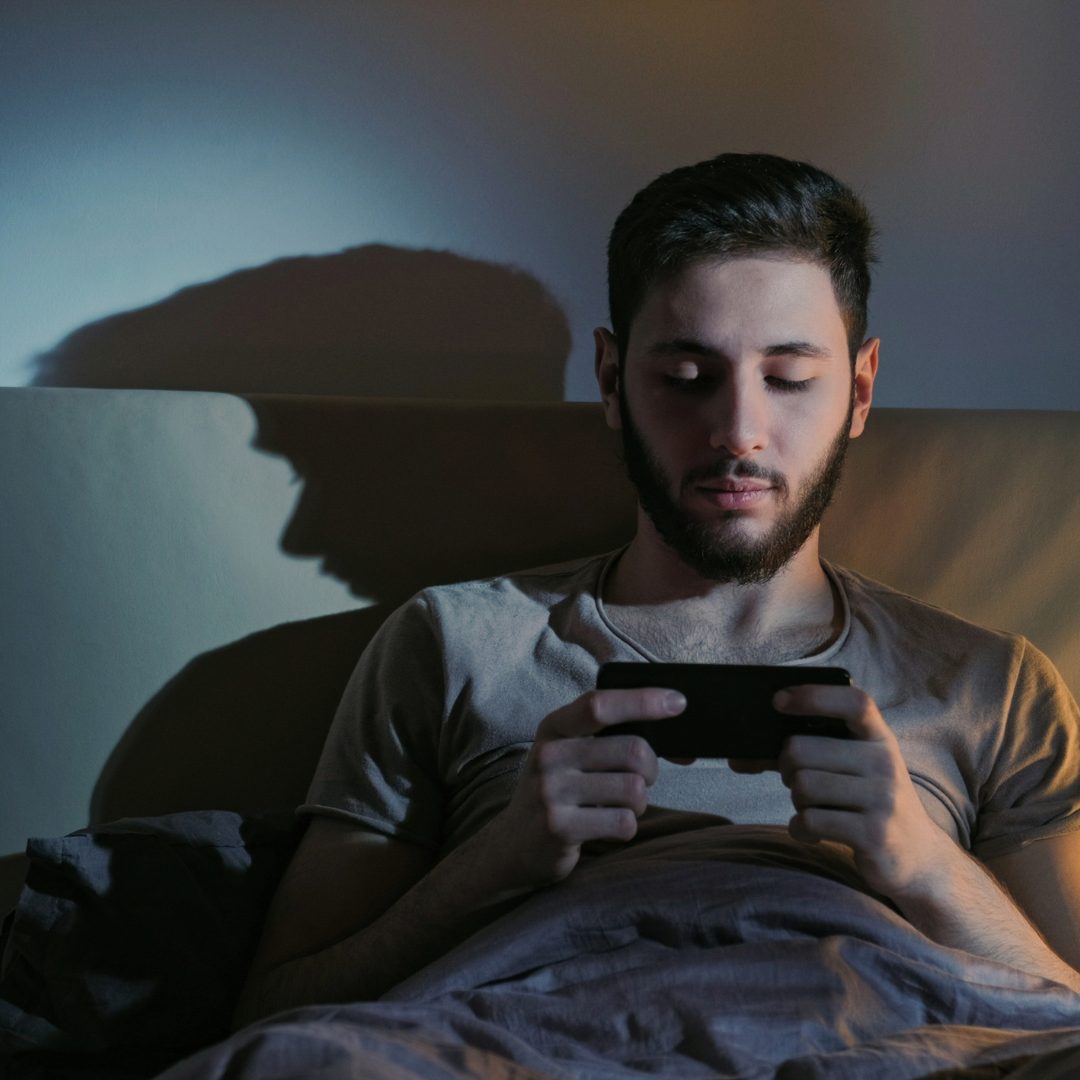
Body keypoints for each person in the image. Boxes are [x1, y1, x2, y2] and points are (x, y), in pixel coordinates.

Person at [233, 152, 1080, 1028]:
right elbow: (277, 1010)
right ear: (612, 382)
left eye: (789, 379)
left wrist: (924, 867)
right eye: (686, 379)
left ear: (860, 391)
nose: (738, 431)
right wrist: (499, 862)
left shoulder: (993, 687)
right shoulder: (453, 643)